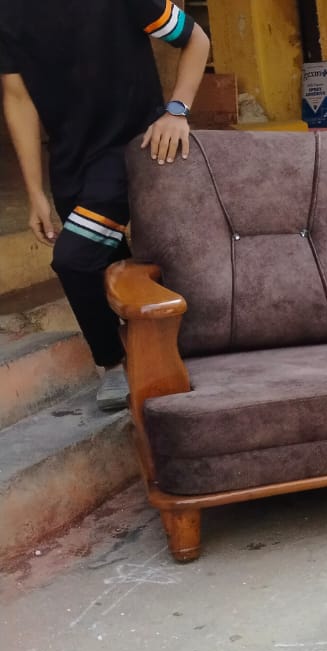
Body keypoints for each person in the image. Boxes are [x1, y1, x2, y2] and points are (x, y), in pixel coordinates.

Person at [1, 0, 212, 411]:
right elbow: (17, 97)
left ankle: (113, 363)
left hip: (131, 149)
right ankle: (157, 351)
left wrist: (176, 111)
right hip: (69, 162)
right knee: (110, 264)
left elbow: (196, 39)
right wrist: (35, 193)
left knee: (74, 258)